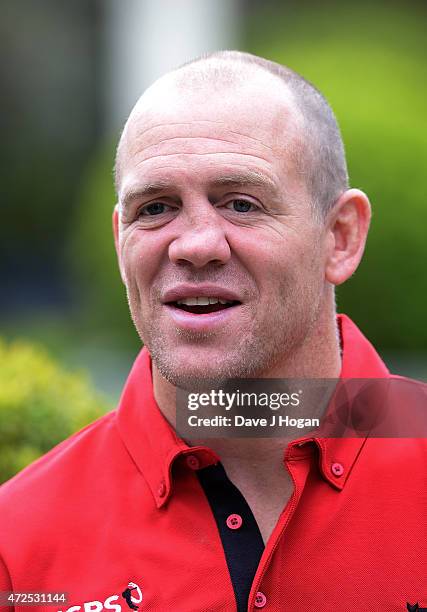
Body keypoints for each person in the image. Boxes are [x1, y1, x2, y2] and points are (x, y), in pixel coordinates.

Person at [0, 51, 426, 612]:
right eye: (155, 208)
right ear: (119, 240)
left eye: (241, 203)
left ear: (340, 237)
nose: (195, 245)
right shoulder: (19, 543)